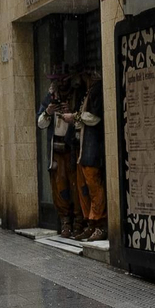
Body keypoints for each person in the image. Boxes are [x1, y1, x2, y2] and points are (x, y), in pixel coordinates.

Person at [64, 64, 108, 243]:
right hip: (83, 148)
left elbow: (95, 117)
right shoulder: (87, 92)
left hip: (91, 148)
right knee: (84, 188)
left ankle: (99, 223)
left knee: (93, 186)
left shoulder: (96, 91)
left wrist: (75, 117)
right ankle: (90, 222)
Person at [37, 65, 81, 238]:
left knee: (75, 186)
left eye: (62, 80)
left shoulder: (76, 96)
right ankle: (65, 222)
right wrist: (48, 111)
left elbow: (81, 119)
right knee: (59, 186)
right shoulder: (49, 99)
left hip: (71, 147)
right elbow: (40, 123)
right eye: (56, 80)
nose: (60, 84)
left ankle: (78, 221)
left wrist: (71, 113)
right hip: (56, 151)